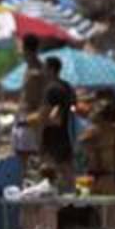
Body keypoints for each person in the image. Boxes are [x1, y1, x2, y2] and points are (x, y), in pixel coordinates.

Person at [41, 56, 76, 192]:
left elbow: (48, 115)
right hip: (67, 133)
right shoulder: (67, 87)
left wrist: (34, 122)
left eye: (45, 67)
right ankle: (72, 197)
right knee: (67, 169)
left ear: (50, 69)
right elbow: (73, 107)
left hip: (53, 135)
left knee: (50, 169)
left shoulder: (51, 89)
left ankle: (54, 199)